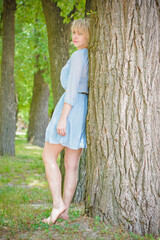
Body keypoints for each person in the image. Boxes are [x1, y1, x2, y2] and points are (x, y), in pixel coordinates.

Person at [42, 18, 90, 224]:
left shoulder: (79, 56)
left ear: (90, 34)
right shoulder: (90, 56)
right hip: (82, 108)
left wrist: (62, 118)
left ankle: (57, 205)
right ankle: (65, 212)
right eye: (74, 32)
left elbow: (70, 89)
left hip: (70, 109)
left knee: (48, 156)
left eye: (80, 32)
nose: (75, 36)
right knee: (71, 165)